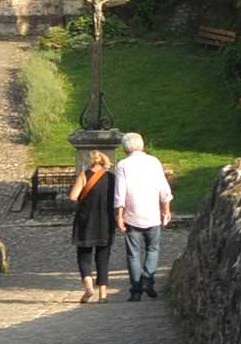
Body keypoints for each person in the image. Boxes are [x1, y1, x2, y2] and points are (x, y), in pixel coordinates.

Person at [114, 130, 174, 300]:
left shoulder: (123, 165)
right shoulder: (153, 162)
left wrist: (119, 216)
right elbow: (164, 189)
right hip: (152, 213)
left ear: (126, 148)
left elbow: (120, 193)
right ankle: (148, 279)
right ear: (141, 145)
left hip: (132, 214)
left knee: (133, 253)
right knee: (152, 249)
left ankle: (136, 289)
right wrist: (166, 210)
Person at [66, 148, 116, 303]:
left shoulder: (84, 176)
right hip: (106, 221)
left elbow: (73, 196)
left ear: (90, 161)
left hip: (86, 220)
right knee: (103, 257)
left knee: (84, 254)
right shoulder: (112, 178)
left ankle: (88, 285)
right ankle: (103, 294)